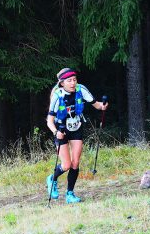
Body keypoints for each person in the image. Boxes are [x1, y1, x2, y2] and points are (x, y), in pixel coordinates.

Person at [46, 68, 108, 204]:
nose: (73, 83)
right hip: (61, 130)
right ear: (62, 83)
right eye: (69, 81)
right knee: (66, 164)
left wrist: (102, 106)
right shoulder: (58, 95)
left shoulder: (81, 90)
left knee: (75, 163)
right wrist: (56, 132)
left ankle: (70, 194)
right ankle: (52, 179)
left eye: (74, 80)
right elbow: (49, 121)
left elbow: (96, 105)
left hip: (76, 128)